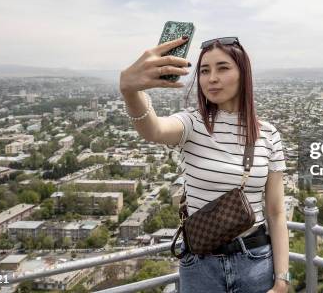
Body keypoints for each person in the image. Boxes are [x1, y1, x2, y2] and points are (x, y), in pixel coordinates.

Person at [119, 35, 290, 293]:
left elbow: (276, 213)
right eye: (204, 71)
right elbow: (153, 129)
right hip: (201, 265)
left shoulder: (267, 134)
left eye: (223, 68)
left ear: (243, 74)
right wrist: (130, 90)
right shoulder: (193, 123)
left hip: (254, 261)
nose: (212, 78)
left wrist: (282, 280)